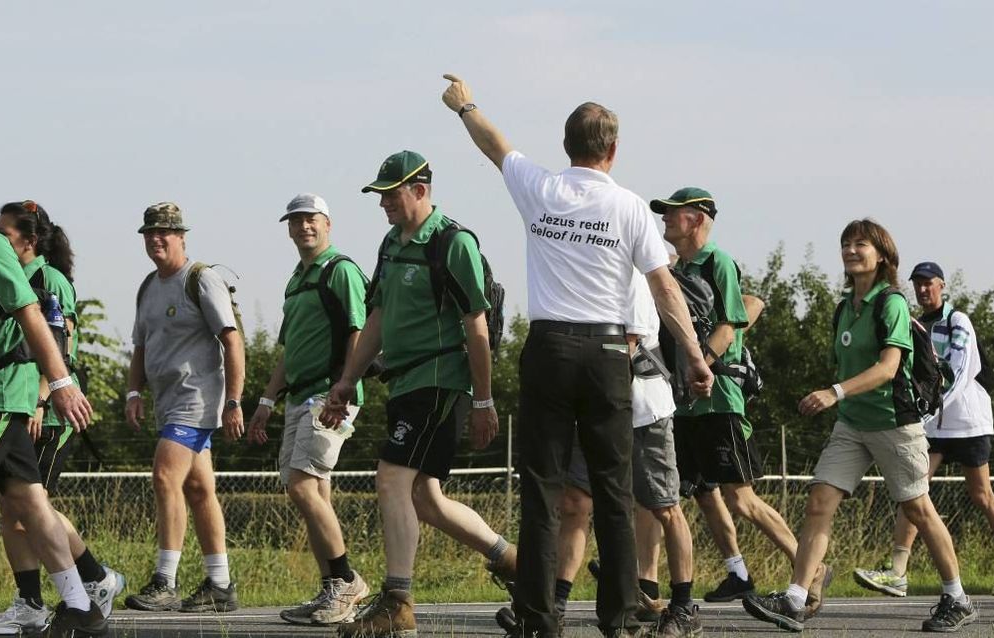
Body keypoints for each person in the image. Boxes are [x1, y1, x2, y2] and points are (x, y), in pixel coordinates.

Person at [441, 74, 713, 638]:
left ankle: (540, 619)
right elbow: (663, 287)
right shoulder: (629, 206)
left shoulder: (539, 186)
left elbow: (494, 145)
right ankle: (619, 619)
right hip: (609, 350)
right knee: (614, 491)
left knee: (542, 488)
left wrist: (464, 103)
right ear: (613, 150)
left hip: (548, 348)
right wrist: (693, 354)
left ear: (567, 146)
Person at [743, 219, 978, 633]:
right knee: (819, 501)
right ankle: (796, 598)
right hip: (852, 425)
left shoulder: (892, 304)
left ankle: (957, 597)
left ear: (882, 255)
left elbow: (888, 368)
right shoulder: (844, 307)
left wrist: (835, 392)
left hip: (894, 423)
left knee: (918, 509)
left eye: (861, 244)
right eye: (846, 243)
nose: (851, 250)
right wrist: (842, 400)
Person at [325, 150, 516, 638]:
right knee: (425, 498)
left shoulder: (453, 243)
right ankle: (514, 561)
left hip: (439, 380)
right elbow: (378, 319)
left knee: (390, 477)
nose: (384, 203)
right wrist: (348, 380)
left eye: (391, 193)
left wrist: (483, 399)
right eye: (381, 194)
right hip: (405, 381)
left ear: (420, 189)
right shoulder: (391, 243)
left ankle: (398, 601)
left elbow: (476, 324)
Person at [653, 187, 830, 611]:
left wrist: (704, 364)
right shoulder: (676, 269)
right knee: (670, 495)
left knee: (741, 498)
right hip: (685, 403)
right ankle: (653, 582)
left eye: (673, 214)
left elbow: (732, 323)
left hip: (719, 399)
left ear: (696, 219)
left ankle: (810, 568)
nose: (664, 220)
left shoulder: (718, 262)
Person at [0, 201, 124, 635]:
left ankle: (94, 581)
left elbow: (56, 341)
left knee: (30, 505)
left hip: (24, 402)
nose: (0, 237)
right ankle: (74, 600)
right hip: (19, 401)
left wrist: (47, 397)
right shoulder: (12, 267)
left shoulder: (49, 280)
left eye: (7, 234)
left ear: (29, 241)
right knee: (23, 504)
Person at [551, 272, 705, 638]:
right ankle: (554, 606)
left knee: (665, 506)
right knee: (575, 503)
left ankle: (683, 607)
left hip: (642, 412)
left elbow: (624, 349)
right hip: (594, 411)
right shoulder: (581, 281)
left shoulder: (631, 279)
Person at [247, 193, 370, 625]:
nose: (304, 227)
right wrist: (266, 401)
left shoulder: (341, 271)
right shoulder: (297, 279)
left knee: (301, 485)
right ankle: (330, 592)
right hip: (300, 396)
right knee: (313, 491)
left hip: (328, 395)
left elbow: (360, 332)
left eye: (311, 220)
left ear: (328, 224)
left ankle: (346, 582)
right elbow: (289, 348)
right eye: (296, 221)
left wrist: (345, 388)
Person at [854, 261, 994, 598]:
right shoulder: (914, 324)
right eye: (918, 284)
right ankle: (897, 571)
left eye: (929, 283)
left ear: (942, 285)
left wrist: (925, 413)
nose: (923, 290)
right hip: (934, 426)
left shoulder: (958, 320)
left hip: (967, 423)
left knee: (981, 496)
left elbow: (960, 372)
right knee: (914, 489)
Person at [124, 203, 245, 613]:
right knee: (197, 488)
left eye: (165, 233)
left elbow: (232, 340)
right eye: (149, 233)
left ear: (181, 237)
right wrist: (133, 392)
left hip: (196, 398)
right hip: (167, 401)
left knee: (163, 477)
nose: (156, 239)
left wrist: (234, 401)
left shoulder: (201, 279)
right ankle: (220, 584)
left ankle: (165, 581)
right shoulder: (148, 286)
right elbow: (140, 345)